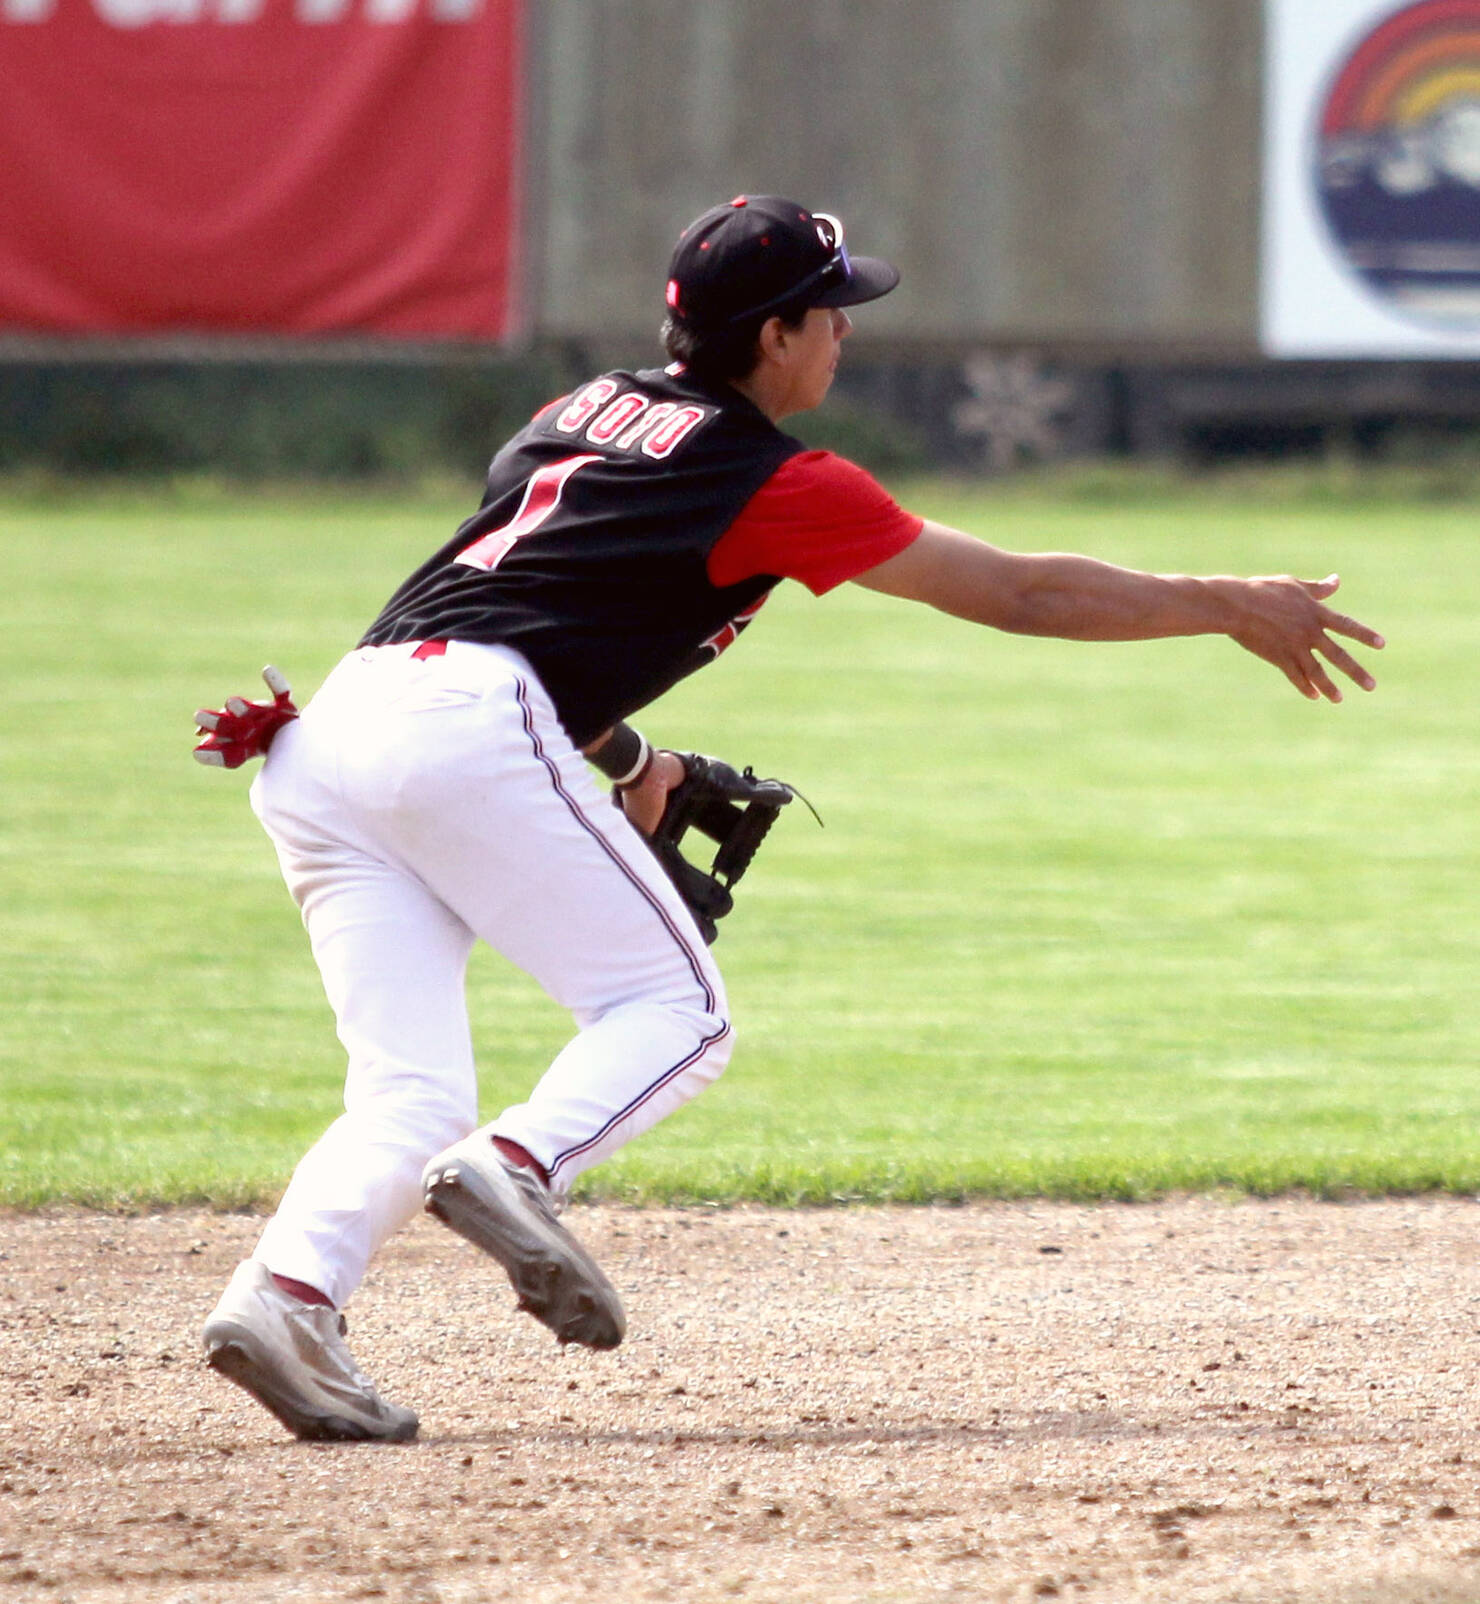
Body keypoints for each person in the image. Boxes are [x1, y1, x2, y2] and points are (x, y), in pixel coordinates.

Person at [197, 195, 1384, 1442]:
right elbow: (1019, 591)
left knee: (406, 1090)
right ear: (773, 339)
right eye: (833, 314)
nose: (844, 336)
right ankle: (522, 1165)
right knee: (673, 1012)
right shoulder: (772, 477)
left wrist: (632, 756)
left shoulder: (582, 409)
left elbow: (538, 603)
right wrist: (1225, 601)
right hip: (464, 728)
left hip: (336, 734)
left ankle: (285, 1300)